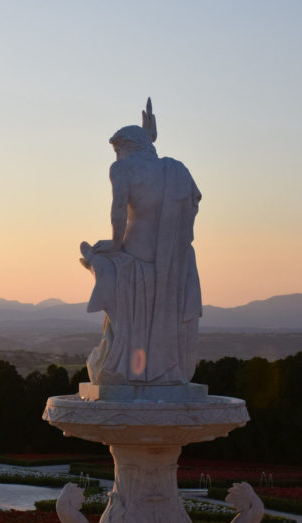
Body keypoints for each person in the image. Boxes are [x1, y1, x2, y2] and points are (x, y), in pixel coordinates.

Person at [80, 99, 202, 385]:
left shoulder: (122, 169)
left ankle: (124, 362)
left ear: (125, 147)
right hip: (172, 257)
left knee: (95, 255)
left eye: (116, 149)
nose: (117, 154)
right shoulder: (175, 170)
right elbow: (191, 206)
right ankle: (157, 367)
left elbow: (119, 210)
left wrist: (114, 243)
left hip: (135, 252)